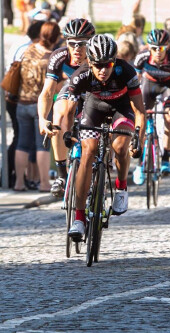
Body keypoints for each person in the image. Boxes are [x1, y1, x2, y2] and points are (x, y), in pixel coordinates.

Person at [51, 35, 145, 241]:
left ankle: (121, 187)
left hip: (121, 109)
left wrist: (139, 138)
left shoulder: (126, 71)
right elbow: (69, 111)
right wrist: (67, 133)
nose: (103, 70)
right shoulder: (81, 74)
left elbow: (139, 111)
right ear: (90, 63)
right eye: (98, 65)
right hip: (94, 109)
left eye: (108, 65)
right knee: (88, 153)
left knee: (120, 146)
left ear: (114, 61)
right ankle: (79, 218)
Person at [38, 18, 95, 197]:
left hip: (94, 94)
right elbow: (47, 92)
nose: (77, 49)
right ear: (66, 42)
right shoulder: (59, 56)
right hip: (70, 91)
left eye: (82, 44)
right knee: (59, 116)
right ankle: (62, 174)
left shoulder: (97, 57)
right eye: (72, 44)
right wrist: (41, 118)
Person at [133, 29, 170, 180]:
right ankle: (140, 163)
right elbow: (134, 82)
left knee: (169, 118)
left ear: (167, 46)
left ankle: (166, 159)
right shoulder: (142, 56)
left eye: (161, 48)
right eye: (154, 48)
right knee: (141, 120)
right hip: (148, 85)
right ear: (149, 47)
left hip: (168, 87)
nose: (158, 51)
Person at [13, 21, 60, 192]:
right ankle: (44, 183)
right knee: (42, 145)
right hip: (40, 106)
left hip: (21, 103)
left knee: (22, 144)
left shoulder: (28, 50)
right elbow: (56, 85)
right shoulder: (50, 57)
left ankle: (19, 182)